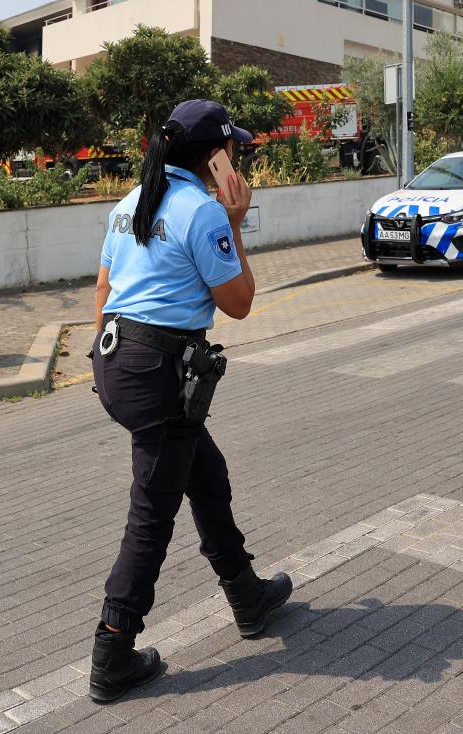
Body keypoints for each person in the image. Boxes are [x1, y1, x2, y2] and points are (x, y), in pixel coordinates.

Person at [86, 100, 292, 704]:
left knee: (207, 474)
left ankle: (247, 596)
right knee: (151, 515)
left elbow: (103, 287)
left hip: (117, 359)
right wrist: (234, 220)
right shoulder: (202, 212)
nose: (241, 160)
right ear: (216, 157)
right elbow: (240, 302)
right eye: (236, 150)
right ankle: (112, 651)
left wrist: (103, 369)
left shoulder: (130, 202)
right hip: (159, 372)